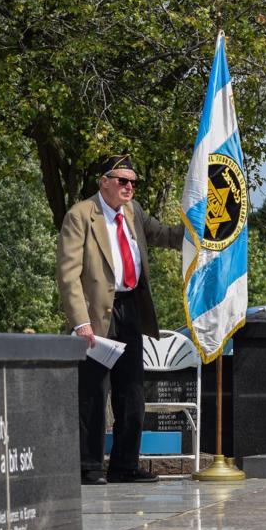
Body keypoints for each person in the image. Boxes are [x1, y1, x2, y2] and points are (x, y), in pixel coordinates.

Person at [57, 155, 182, 485]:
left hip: (130, 310)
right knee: (93, 392)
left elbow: (165, 235)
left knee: (133, 391)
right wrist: (80, 321)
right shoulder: (81, 215)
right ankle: (89, 466)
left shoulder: (133, 211)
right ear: (104, 181)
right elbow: (68, 275)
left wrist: (204, 229)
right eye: (123, 180)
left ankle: (125, 465)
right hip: (97, 314)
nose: (130, 187)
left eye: (133, 182)